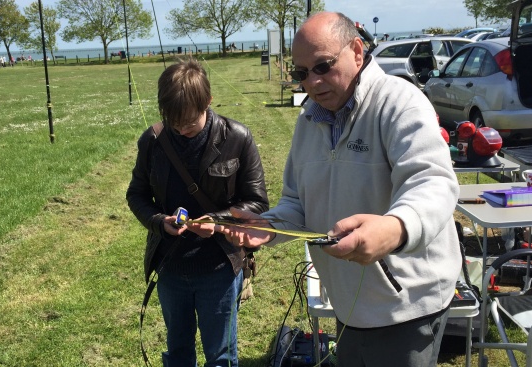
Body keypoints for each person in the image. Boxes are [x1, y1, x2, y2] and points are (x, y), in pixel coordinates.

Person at [216, 11, 461, 367]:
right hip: (347, 307)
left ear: (357, 52)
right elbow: (296, 203)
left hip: (406, 309)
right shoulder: (309, 121)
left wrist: (394, 229)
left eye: (323, 66)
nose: (312, 83)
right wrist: (266, 228)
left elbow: (433, 183)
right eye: (301, 74)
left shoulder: (399, 102)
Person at [126, 58, 269, 367]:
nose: (181, 130)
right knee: (177, 353)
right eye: (174, 122)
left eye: (189, 122)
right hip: (170, 267)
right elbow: (136, 195)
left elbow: (257, 203)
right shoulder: (152, 140)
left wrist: (217, 224)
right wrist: (159, 222)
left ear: (208, 101)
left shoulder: (238, 138)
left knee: (220, 356)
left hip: (219, 268)